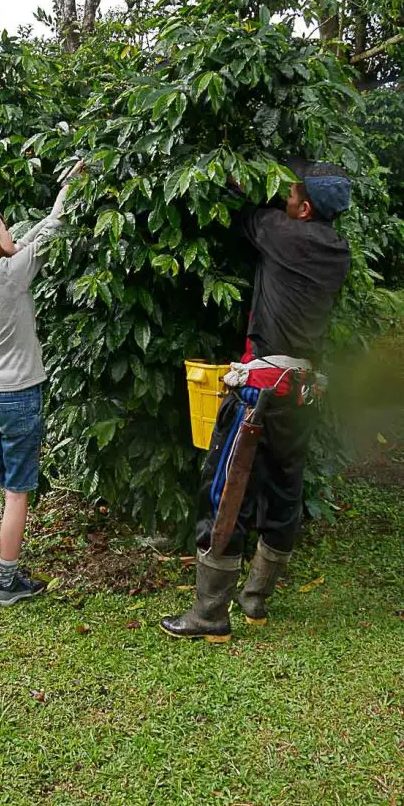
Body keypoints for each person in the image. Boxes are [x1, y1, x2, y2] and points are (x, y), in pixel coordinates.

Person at [161, 159, 352, 642]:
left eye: (290, 194)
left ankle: (209, 614)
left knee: (228, 491)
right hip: (301, 393)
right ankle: (256, 599)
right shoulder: (336, 248)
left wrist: (234, 168)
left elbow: (245, 209)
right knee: (285, 491)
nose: (282, 198)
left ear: (304, 210)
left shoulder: (284, 236)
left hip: (260, 393)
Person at [0, 161, 84, 608]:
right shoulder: (12, 273)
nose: (12, 233)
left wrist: (15, 246)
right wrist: (70, 185)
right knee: (17, 489)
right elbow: (53, 225)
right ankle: (7, 582)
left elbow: (21, 245)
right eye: (5, 229)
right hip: (18, 394)